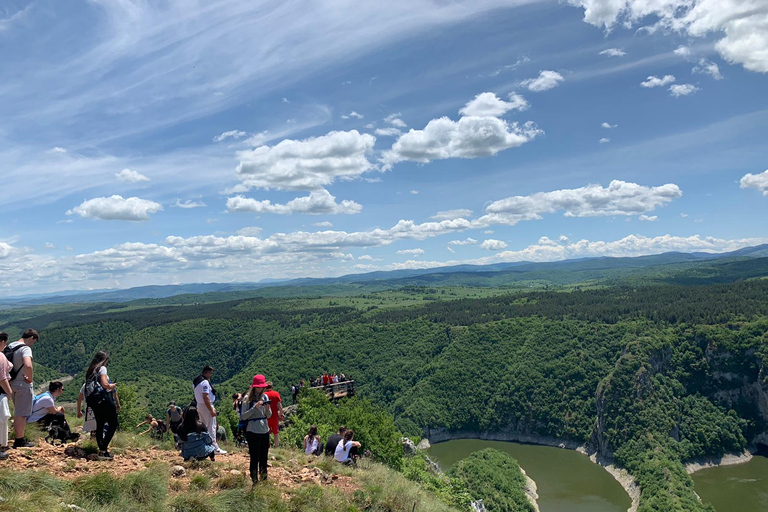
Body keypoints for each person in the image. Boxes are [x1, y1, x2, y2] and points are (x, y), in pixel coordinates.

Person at [7, 328, 39, 449]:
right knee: (21, 413)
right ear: (31, 338)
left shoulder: (11, 345)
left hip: (11, 383)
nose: (33, 344)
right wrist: (30, 378)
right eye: (34, 341)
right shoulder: (25, 348)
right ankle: (19, 440)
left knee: (17, 411)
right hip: (22, 385)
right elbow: (28, 365)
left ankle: (16, 437)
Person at [84, 351, 118, 460]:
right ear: (104, 360)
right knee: (113, 424)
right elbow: (105, 384)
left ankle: (102, 451)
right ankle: (104, 449)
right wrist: (111, 386)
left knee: (100, 424)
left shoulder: (90, 371)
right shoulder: (102, 369)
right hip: (104, 399)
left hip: (94, 401)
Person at [240, 374, 272, 483]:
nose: (260, 388)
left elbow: (269, 415)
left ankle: (264, 478)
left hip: (264, 429)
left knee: (264, 456)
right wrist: (255, 408)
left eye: (262, 386)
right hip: (252, 430)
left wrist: (267, 409)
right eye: (258, 386)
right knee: (254, 456)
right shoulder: (247, 399)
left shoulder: (265, 397)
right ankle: (254, 479)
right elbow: (244, 416)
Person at [193, 365, 226, 455]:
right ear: (207, 372)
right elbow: (206, 397)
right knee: (211, 427)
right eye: (210, 373)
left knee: (203, 427)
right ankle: (214, 448)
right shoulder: (205, 383)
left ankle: (204, 446)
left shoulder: (196, 381)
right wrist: (211, 409)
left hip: (199, 405)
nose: (211, 375)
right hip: (206, 405)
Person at [0, 332, 14, 457]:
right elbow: (2, 378)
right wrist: (9, 392)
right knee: (1, 421)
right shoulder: (1, 356)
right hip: (0, 392)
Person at [264, 382, 283, 448]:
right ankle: (276, 447)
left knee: (267, 432)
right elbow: (279, 405)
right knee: (276, 432)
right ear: (272, 387)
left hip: (266, 416)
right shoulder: (276, 394)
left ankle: (267, 446)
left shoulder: (264, 395)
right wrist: (281, 414)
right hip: (275, 415)